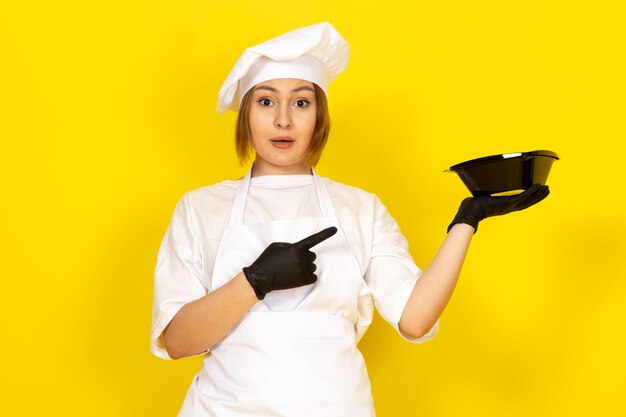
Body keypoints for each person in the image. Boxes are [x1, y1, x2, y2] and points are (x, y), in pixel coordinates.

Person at [150, 22, 549, 417]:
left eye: (302, 102)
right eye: (266, 101)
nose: (284, 120)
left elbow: (414, 319)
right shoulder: (200, 209)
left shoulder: (360, 208)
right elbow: (178, 341)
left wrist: (467, 220)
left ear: (319, 117)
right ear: (246, 114)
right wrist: (256, 281)